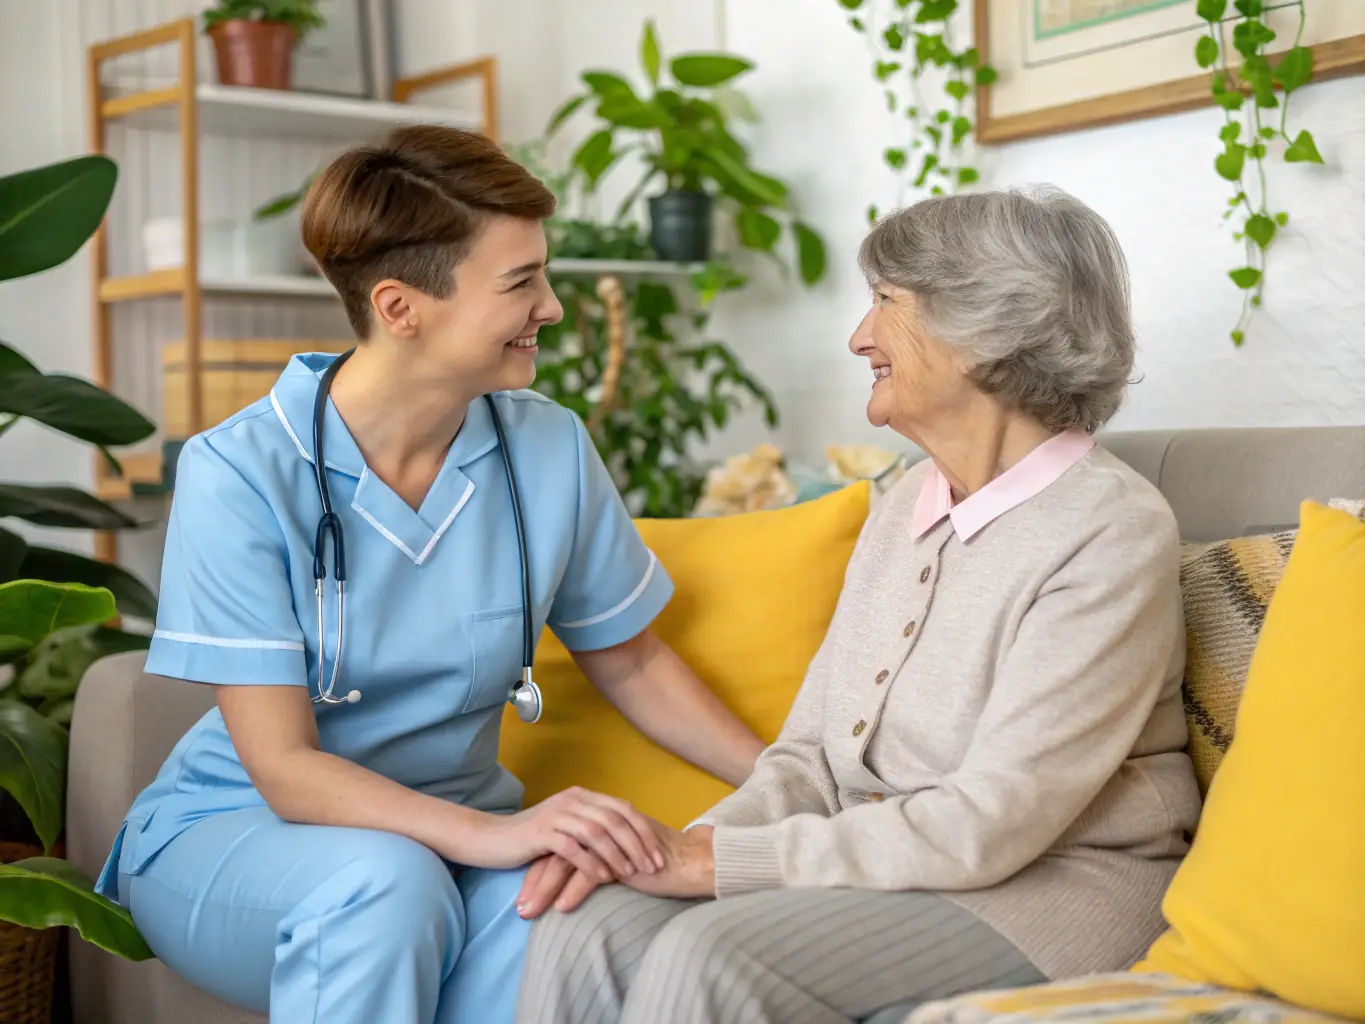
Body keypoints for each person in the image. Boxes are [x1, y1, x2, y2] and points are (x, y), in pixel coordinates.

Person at [93, 124, 766, 1024]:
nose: (553, 308)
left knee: (578, 915)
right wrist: (498, 836)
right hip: (241, 836)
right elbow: (286, 769)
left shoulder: (547, 445)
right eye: (521, 282)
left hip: (450, 838)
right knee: (388, 883)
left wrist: (793, 783)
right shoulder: (242, 469)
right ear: (401, 307)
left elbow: (632, 661)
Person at [512, 186, 1204, 1024]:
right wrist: (682, 845)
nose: (857, 336)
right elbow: (806, 758)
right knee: (590, 918)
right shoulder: (905, 505)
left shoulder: (1107, 530)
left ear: (982, 330)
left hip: (1055, 886)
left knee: (712, 956)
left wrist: (718, 865)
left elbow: (992, 821)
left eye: (885, 302)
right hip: (902, 864)